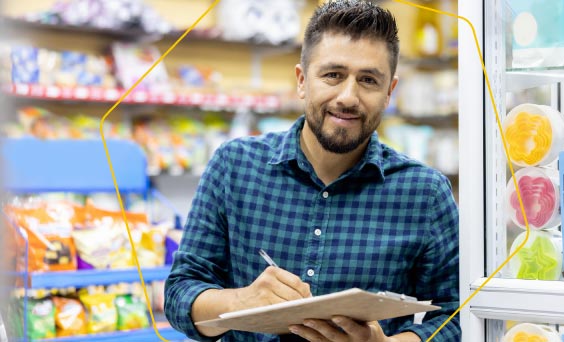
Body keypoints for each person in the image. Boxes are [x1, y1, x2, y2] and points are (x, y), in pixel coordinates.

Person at [164, 1, 460, 341]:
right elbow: (179, 293)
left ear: (389, 92)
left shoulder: (424, 193)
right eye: (333, 75)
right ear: (302, 80)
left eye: (368, 80)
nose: (348, 97)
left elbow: (458, 314)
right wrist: (241, 301)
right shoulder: (234, 166)